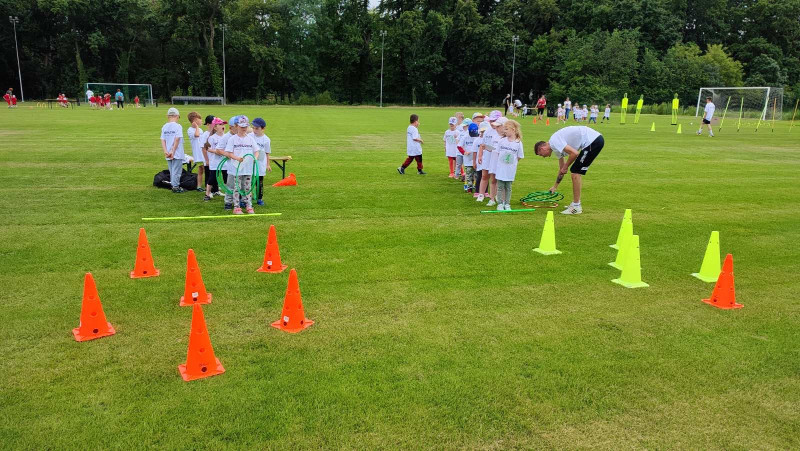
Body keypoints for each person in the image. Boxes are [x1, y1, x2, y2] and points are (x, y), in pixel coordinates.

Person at [534, 126, 604, 215]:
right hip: (592, 141)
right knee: (575, 171)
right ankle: (575, 204)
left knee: (575, 172)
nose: (543, 157)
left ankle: (576, 207)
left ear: (542, 149)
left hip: (593, 141)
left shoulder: (554, 141)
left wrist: (566, 166)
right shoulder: (555, 148)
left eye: (541, 155)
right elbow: (562, 169)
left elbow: (574, 153)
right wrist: (555, 186)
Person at [224, 115, 258, 214]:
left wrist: (255, 158)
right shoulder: (232, 139)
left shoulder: (250, 139)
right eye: (242, 126)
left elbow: (256, 151)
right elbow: (229, 153)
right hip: (236, 168)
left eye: (245, 126)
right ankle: (236, 207)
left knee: (247, 187)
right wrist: (237, 158)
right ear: (236, 126)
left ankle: (249, 205)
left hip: (247, 168)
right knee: (237, 187)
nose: (244, 129)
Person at [494, 120, 524, 211]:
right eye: (504, 129)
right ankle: (500, 204)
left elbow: (519, 156)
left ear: (513, 129)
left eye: (506, 129)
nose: (505, 131)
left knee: (508, 187)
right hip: (501, 168)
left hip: (510, 170)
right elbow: (498, 153)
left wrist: (513, 163)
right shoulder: (501, 141)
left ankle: (507, 204)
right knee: (500, 187)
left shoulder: (518, 143)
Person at [160, 107, 186, 193]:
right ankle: (175, 187)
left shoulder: (164, 126)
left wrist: (165, 151)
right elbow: (177, 139)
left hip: (168, 152)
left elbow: (162, 139)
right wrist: (173, 151)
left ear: (168, 116)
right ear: (177, 116)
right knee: (177, 170)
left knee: (172, 170)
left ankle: (173, 184)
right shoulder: (178, 126)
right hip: (176, 152)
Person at [217, 116, 239, 209]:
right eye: (236, 127)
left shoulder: (241, 136)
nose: (239, 129)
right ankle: (228, 202)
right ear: (230, 127)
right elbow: (218, 149)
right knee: (230, 185)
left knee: (240, 184)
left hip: (240, 165)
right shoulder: (226, 137)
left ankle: (240, 201)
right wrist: (228, 154)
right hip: (230, 166)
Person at [250, 117, 272, 206]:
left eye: (257, 128)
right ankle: (247, 197)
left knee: (259, 182)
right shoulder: (250, 136)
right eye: (253, 128)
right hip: (250, 163)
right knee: (249, 181)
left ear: (263, 129)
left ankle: (259, 198)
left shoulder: (266, 140)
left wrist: (268, 165)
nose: (254, 130)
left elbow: (267, 153)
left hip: (260, 164)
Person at [203, 117, 226, 201]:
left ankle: (229, 194)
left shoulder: (226, 137)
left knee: (226, 179)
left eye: (223, 124)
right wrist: (217, 151)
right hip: (215, 162)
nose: (223, 126)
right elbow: (208, 149)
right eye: (220, 124)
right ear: (215, 127)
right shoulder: (212, 137)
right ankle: (207, 194)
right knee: (212, 178)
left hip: (225, 162)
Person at [186, 112, 206, 191]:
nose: (201, 121)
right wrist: (197, 127)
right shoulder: (190, 130)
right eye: (199, 119)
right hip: (198, 154)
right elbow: (197, 135)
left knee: (205, 170)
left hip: (203, 152)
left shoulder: (200, 130)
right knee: (201, 169)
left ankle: (208, 185)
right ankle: (199, 186)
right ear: (195, 120)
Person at [460, 123, 479, 192]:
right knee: (469, 175)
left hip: (476, 160)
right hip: (468, 160)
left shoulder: (478, 136)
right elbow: (459, 146)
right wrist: (464, 152)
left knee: (476, 175)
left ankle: (476, 187)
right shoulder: (465, 137)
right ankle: (469, 188)